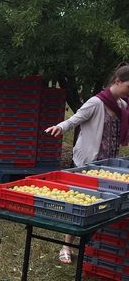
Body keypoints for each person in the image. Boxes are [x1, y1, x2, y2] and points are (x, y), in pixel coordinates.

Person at [44, 63, 129, 264]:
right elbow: (75, 119)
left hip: (109, 166)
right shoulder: (96, 102)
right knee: (79, 205)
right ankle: (66, 246)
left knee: (103, 206)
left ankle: (92, 244)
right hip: (88, 163)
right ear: (117, 81)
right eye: (128, 87)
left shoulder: (123, 106)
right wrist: (59, 127)